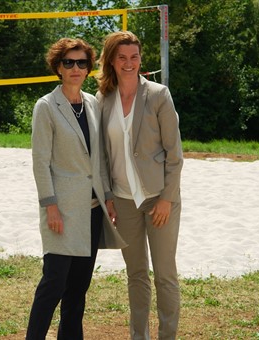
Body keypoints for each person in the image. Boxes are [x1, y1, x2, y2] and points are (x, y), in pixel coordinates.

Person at [26, 37, 127, 340]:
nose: (75, 68)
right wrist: (50, 206)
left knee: (78, 290)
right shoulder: (46, 106)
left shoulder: (93, 103)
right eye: (68, 62)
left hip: (92, 211)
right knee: (53, 285)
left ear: (88, 68)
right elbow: (40, 162)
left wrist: (108, 198)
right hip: (63, 211)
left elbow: (99, 159)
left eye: (81, 62)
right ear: (58, 67)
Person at [96, 31, 184, 340]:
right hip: (123, 201)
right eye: (122, 57)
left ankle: (167, 336)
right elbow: (102, 158)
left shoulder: (159, 95)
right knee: (136, 275)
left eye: (134, 56)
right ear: (112, 61)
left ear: (141, 59)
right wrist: (107, 197)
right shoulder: (103, 99)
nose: (129, 63)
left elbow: (175, 154)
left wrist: (167, 199)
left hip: (159, 199)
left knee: (164, 274)